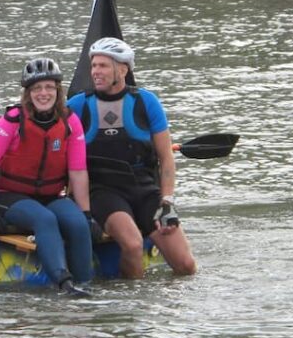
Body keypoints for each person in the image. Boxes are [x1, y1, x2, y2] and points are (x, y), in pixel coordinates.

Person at [65, 37, 197, 279]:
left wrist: (167, 202)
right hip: (102, 191)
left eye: (103, 66)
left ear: (123, 69)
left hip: (144, 189)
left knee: (186, 266)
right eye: (93, 65)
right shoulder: (77, 106)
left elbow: (166, 158)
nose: (95, 71)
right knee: (134, 244)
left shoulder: (146, 102)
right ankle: (131, 306)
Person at [0, 58, 95, 297]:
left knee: (77, 223)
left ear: (57, 91)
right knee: (45, 219)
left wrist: (86, 213)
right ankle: (64, 283)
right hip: (9, 196)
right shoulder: (12, 120)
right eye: (37, 89)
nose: (44, 93)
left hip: (50, 194)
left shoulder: (70, 121)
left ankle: (86, 284)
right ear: (28, 93)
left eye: (50, 87)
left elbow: (78, 171)